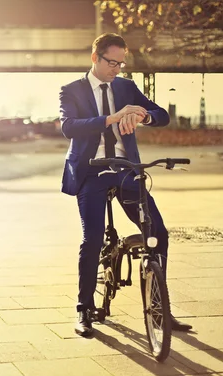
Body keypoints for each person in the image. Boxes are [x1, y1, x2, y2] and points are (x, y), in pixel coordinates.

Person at [58, 33, 193, 336]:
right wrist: (111, 118)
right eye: (112, 62)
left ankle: (161, 307)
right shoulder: (72, 90)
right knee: (91, 238)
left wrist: (142, 115)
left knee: (157, 232)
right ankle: (83, 310)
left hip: (125, 168)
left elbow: (162, 115)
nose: (117, 69)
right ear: (95, 58)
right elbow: (69, 127)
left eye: (121, 63)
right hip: (90, 170)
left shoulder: (126, 86)